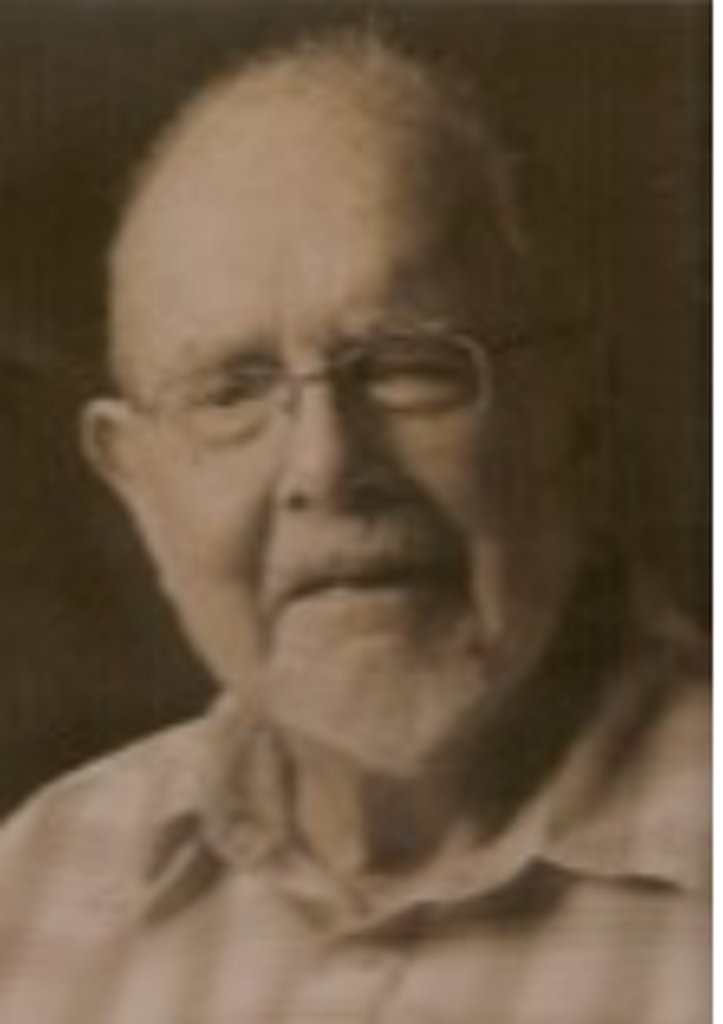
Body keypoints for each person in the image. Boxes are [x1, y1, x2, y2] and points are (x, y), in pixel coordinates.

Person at [0, 28, 709, 1024]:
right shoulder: (37, 886)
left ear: (573, 411)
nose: (326, 466)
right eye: (230, 392)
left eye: (406, 364)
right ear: (135, 483)